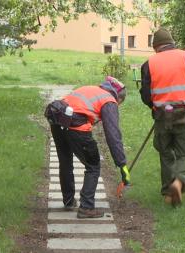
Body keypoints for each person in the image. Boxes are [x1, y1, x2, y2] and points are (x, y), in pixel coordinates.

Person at [140, 28, 185, 207]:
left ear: (155, 47)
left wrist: (157, 107)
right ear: (172, 42)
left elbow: (146, 96)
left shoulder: (149, 63)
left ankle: (168, 194)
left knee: (166, 153)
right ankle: (179, 183)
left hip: (162, 117)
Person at [45, 76, 130, 218]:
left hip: (57, 120)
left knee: (65, 161)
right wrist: (122, 164)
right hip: (76, 126)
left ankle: (69, 201)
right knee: (93, 164)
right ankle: (87, 207)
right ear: (118, 99)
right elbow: (113, 134)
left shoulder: (91, 89)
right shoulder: (110, 101)